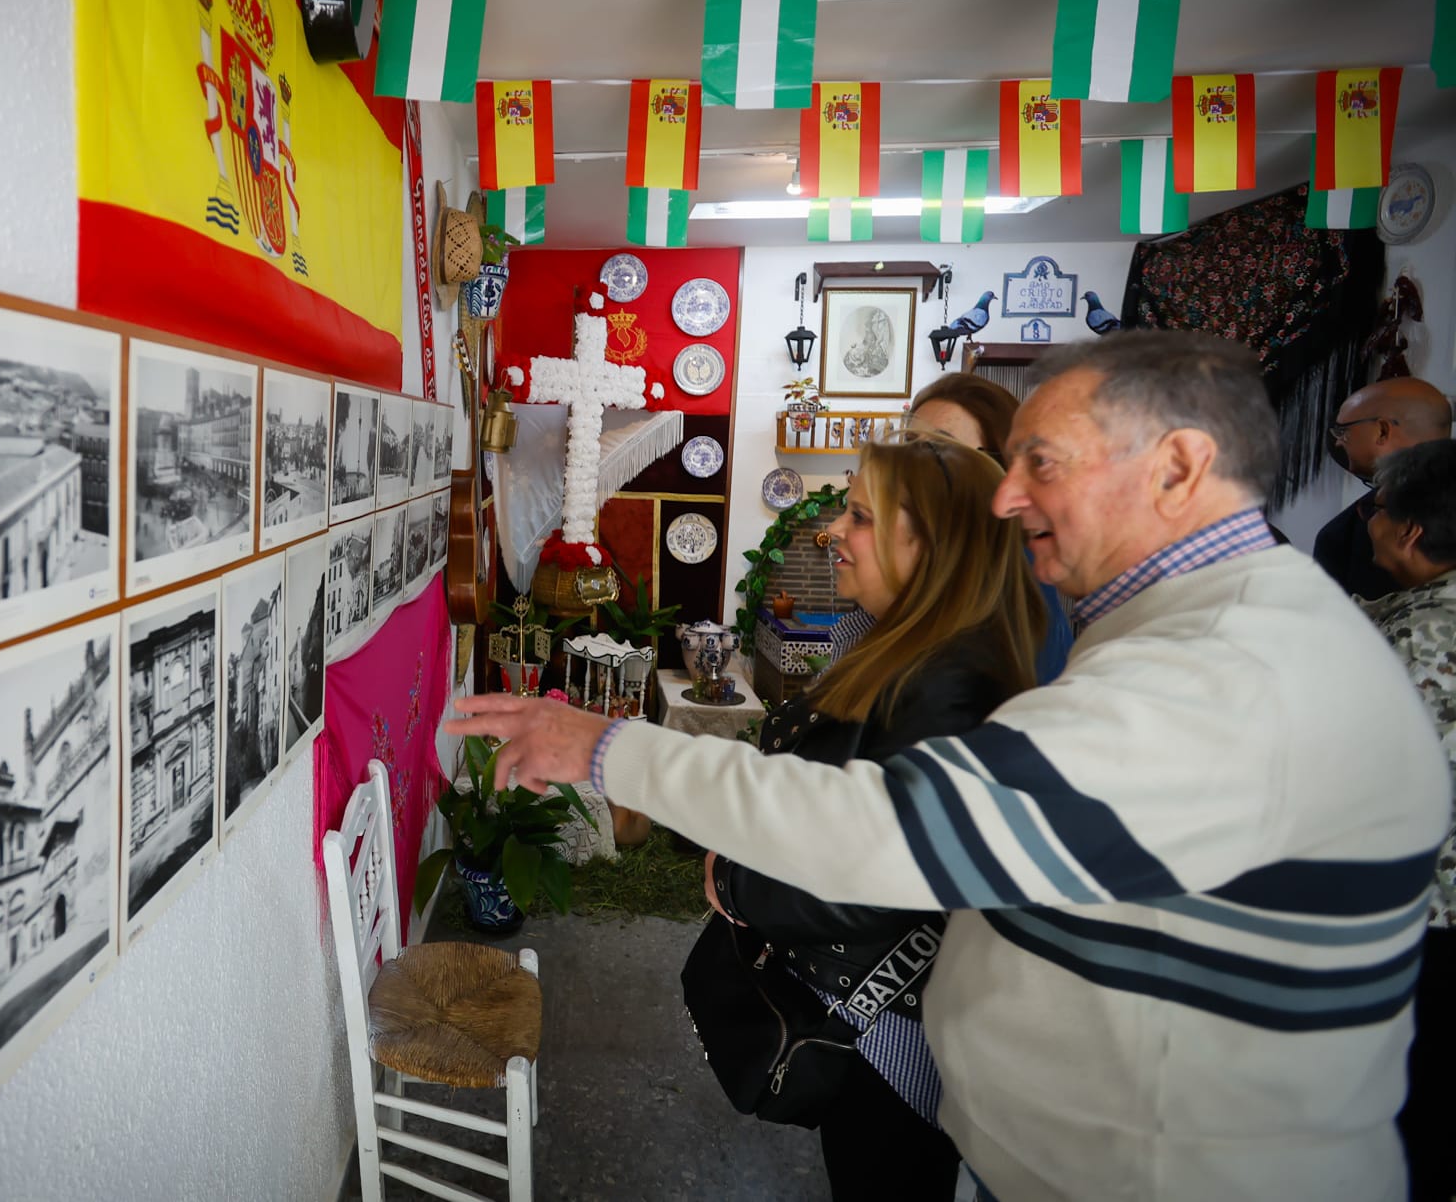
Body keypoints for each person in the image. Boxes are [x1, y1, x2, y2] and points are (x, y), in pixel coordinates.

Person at [453, 332, 1446, 1201]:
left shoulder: (1223, 673)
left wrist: (606, 746)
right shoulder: (1203, 635)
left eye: (1039, 463)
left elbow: (889, 829)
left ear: (1177, 468)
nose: (1006, 498)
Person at [707, 436, 1044, 1199]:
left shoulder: (948, 689)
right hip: (873, 1019)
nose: (833, 534)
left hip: (899, 1043)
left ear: (928, 544)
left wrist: (736, 879)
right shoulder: (907, 655)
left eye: (859, 516)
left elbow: (870, 883)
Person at [1357, 438, 1456, 1202]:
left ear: (1410, 532)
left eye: (1377, 508)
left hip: (1423, 921)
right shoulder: (1407, 618)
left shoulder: (1416, 640)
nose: (1369, 522)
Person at [907, 372, 1074, 683]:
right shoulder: (935, 554)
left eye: (941, 448)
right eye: (909, 444)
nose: (912, 464)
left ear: (998, 467)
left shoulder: (1008, 571)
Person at [1315, 376, 1452, 600]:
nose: (1339, 442)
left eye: (1343, 431)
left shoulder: (1343, 536)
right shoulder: (1344, 532)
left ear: (1382, 430)